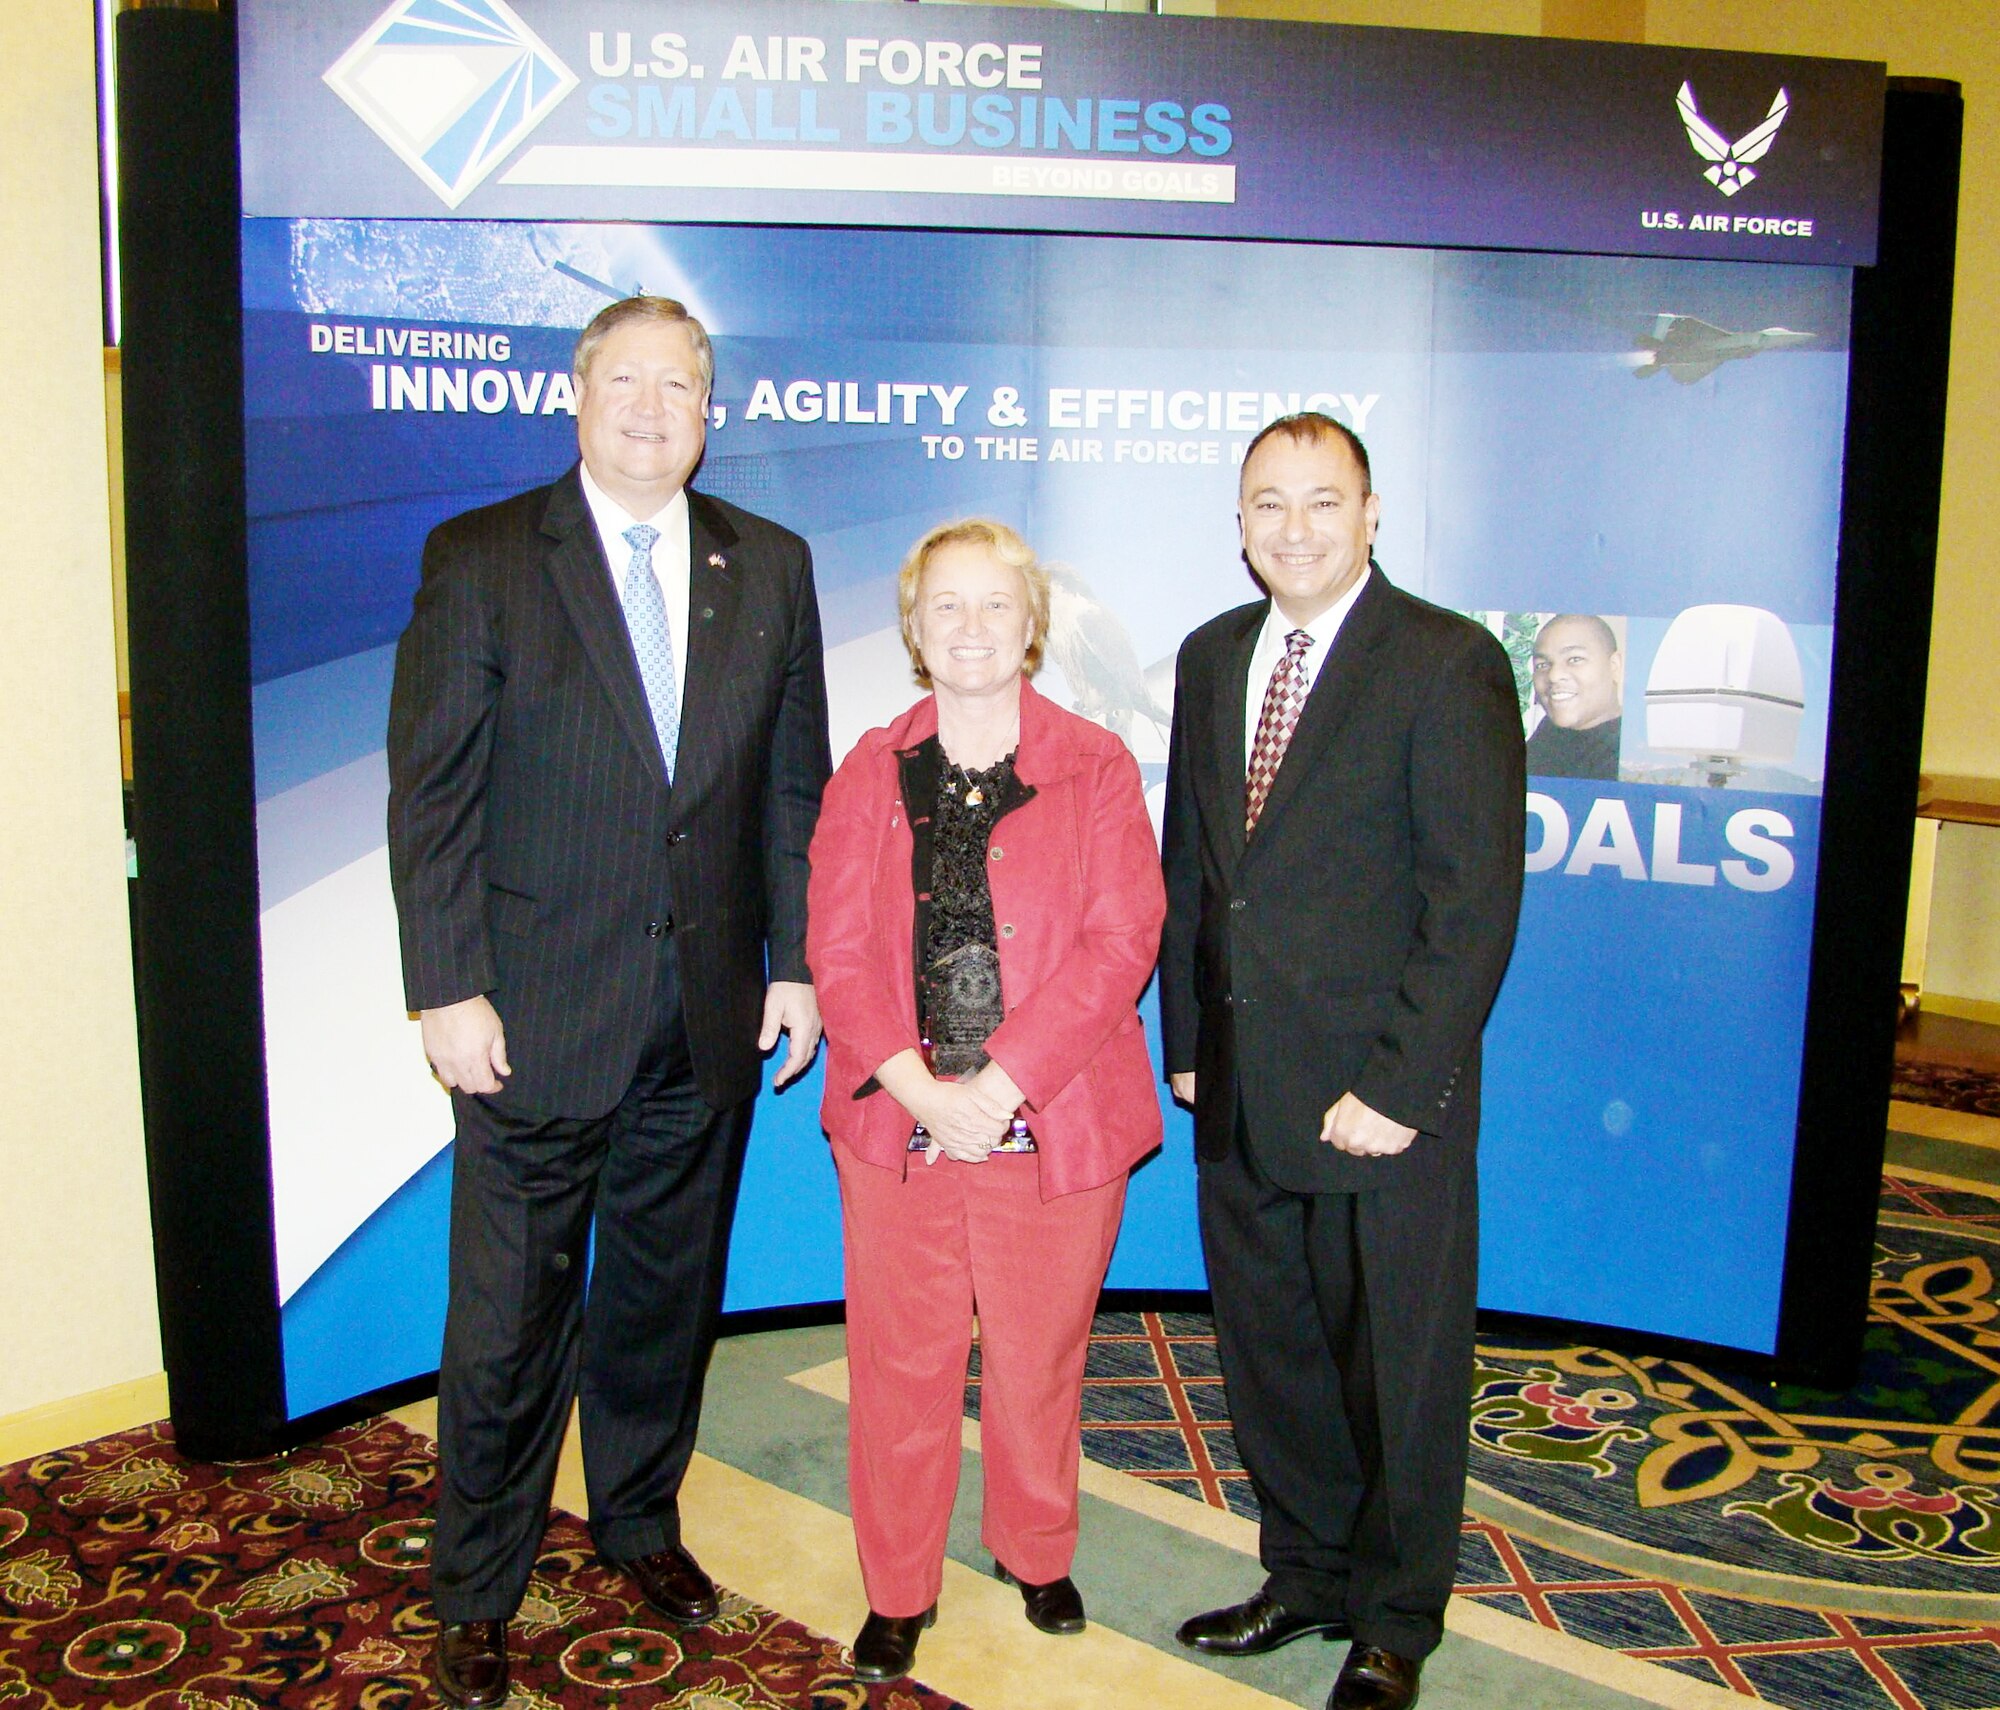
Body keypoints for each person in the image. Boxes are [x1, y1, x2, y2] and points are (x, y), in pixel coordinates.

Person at [386, 295, 831, 1709]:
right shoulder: (484, 558)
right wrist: (446, 987)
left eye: (679, 385)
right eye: (624, 380)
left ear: (713, 409)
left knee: (657, 1301)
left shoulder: (768, 564)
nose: (652, 406)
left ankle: (639, 1520)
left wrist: (796, 959)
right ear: (574, 396)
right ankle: (476, 1587)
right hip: (527, 1016)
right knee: (507, 1321)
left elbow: (788, 786)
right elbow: (435, 794)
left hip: (699, 1018)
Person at [1160, 414, 1524, 1710]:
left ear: (1373, 512)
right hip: (1243, 1085)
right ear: (1241, 521)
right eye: (1270, 503)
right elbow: (1198, 869)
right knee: (1275, 1350)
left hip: (1379, 1093)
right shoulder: (1212, 656)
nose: (1295, 527)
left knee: (1397, 1367)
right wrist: (1192, 1047)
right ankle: (1304, 1572)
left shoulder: (1444, 659)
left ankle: (1394, 1615)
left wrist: (1399, 1086)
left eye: (1323, 501)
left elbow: (1472, 900)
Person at [806, 519, 1166, 1684]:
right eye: (944, 606)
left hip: (1048, 1116)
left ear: (1031, 625)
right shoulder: (868, 766)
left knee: (1037, 1355)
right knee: (898, 1365)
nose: (969, 627)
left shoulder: (1096, 763)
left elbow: (1123, 939)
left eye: (993, 606)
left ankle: (1034, 1549)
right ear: (912, 627)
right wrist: (915, 1087)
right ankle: (899, 1587)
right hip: (897, 1124)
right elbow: (839, 945)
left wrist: (1001, 1082)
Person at [1525, 613, 1623, 780]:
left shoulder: (1628, 755)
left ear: (1613, 666)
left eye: (1574, 659)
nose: (1554, 675)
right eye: (1542, 665)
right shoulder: (1548, 735)